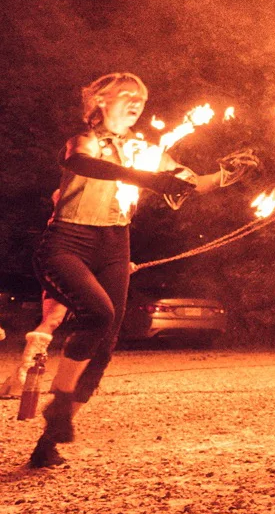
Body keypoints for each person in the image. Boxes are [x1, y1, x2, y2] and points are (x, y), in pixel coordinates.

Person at [28, 72, 250, 469]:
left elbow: (193, 182)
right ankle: (59, 404)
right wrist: (144, 178)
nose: (136, 102)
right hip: (67, 241)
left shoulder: (146, 150)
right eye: (127, 94)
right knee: (98, 314)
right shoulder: (85, 140)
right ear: (100, 100)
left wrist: (228, 174)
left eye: (141, 98)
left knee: (104, 347)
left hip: (115, 243)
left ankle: (49, 440)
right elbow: (79, 162)